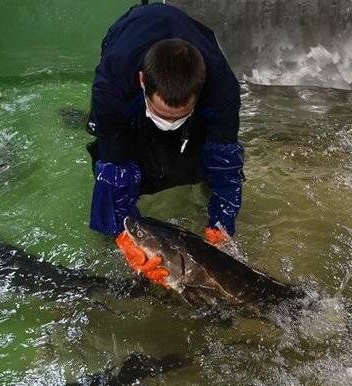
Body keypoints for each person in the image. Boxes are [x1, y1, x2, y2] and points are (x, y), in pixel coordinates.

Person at [87, 3, 244, 286]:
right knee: (117, 170)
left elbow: (226, 167)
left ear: (200, 92)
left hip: (196, 40)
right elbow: (114, 169)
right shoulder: (112, 86)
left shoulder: (223, 91)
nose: (167, 122)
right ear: (142, 81)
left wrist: (221, 229)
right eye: (160, 113)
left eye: (177, 116)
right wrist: (125, 237)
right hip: (127, 34)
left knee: (209, 162)